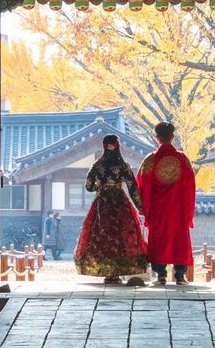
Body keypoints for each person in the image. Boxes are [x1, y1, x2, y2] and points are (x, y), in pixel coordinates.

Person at [74, 135, 150, 285]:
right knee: (120, 235)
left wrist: (100, 187)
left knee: (103, 235)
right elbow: (132, 188)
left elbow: (88, 186)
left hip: (102, 204)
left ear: (104, 146)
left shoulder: (97, 165)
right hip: (120, 203)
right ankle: (117, 273)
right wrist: (140, 207)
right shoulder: (123, 166)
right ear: (118, 146)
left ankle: (107, 273)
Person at [135, 121, 197, 286]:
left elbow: (141, 184)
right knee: (179, 239)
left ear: (157, 138)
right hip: (178, 209)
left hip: (158, 210)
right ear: (172, 137)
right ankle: (180, 276)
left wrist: (144, 207)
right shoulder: (182, 159)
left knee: (159, 239)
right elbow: (190, 185)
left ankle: (160, 275)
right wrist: (188, 209)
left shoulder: (151, 159)